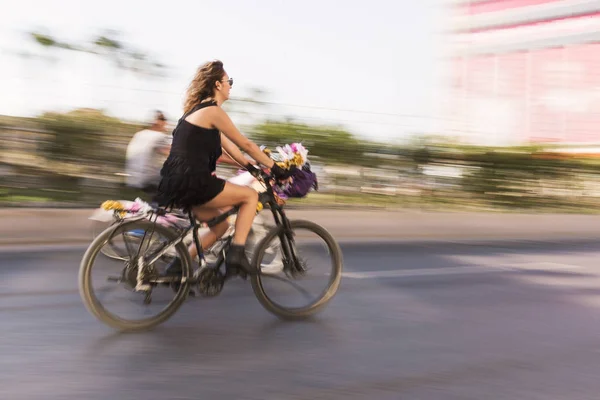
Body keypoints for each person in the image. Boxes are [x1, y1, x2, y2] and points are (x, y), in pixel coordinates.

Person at [154, 60, 293, 277]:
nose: (230, 85)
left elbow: (233, 152)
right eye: (229, 81)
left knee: (219, 227)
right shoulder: (212, 111)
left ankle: (177, 267)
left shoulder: (197, 112)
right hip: (194, 181)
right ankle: (237, 256)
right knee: (249, 197)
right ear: (218, 84)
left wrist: (252, 167)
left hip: (177, 182)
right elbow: (245, 144)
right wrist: (276, 169)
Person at [124, 110, 171, 199]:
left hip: (132, 179)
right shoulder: (159, 136)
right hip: (149, 180)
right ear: (161, 122)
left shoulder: (139, 134)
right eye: (164, 121)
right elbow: (174, 155)